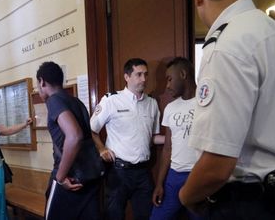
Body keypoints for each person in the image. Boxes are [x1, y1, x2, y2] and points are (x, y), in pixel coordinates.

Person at [178, 0, 275, 219]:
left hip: (241, 204)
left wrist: (186, 197)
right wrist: (272, 161)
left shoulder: (223, 44)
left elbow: (217, 166)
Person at [90, 58, 161, 220]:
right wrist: (102, 149)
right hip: (118, 172)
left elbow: (153, 137)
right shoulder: (111, 100)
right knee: (114, 216)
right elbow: (92, 130)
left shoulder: (152, 104)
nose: (144, 79)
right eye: (139, 74)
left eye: (146, 74)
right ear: (127, 77)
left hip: (143, 173)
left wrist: (176, 138)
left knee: (145, 216)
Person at [36, 61, 101, 220]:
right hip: (89, 175)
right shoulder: (76, 101)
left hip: (69, 178)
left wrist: (60, 177)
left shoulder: (54, 100)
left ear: (42, 81)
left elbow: (75, 136)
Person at [150, 57, 203, 220]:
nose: (167, 85)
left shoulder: (205, 103)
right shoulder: (170, 108)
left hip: (198, 175)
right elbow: (167, 148)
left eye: (169, 79)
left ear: (183, 74)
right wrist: (160, 184)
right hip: (174, 176)